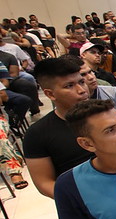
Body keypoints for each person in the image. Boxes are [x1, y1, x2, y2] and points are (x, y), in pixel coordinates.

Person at [23, 58, 93, 198]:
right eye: (69, 86)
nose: (81, 90)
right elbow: (44, 183)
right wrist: (82, 199)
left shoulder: (110, 115)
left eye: (81, 82)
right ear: (50, 94)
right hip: (81, 199)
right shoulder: (38, 134)